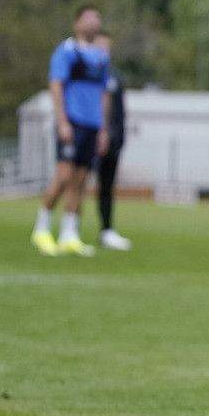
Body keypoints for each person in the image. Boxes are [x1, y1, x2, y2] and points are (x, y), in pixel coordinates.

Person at [32, 5, 112, 258]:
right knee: (64, 176)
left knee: (80, 180)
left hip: (92, 126)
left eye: (97, 17)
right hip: (73, 122)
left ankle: (69, 234)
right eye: (88, 17)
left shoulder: (101, 56)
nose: (94, 22)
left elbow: (103, 94)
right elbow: (56, 85)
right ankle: (42, 228)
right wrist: (62, 120)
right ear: (77, 23)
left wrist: (103, 129)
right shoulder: (66, 51)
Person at [92, 30, 131, 251]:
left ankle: (106, 230)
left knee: (107, 186)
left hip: (114, 139)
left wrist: (119, 135)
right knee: (75, 182)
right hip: (91, 136)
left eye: (107, 47)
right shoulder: (86, 75)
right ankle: (69, 230)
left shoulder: (115, 76)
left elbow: (119, 110)